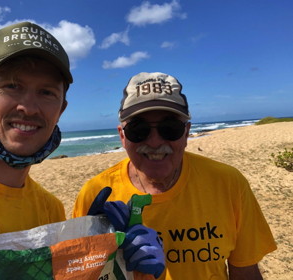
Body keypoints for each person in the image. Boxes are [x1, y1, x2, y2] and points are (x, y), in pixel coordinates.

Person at [0, 23, 164, 279]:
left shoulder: (50, 212)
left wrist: (94, 247)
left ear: (61, 109)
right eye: (12, 86)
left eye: (46, 92)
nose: (29, 108)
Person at [73, 72, 277, 279]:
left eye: (169, 128)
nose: (154, 142)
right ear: (122, 136)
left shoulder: (229, 184)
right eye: (139, 129)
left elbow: (245, 270)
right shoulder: (97, 194)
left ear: (187, 133)